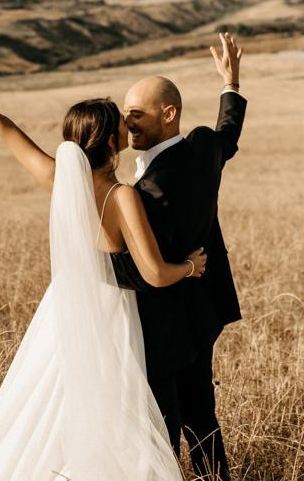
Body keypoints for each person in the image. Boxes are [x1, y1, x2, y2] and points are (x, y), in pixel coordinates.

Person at [0, 71, 209, 479]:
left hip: (62, 310)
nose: (129, 127)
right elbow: (156, 274)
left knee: (53, 404)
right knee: (113, 411)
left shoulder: (59, 179)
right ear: (111, 142)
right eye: (121, 124)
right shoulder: (121, 195)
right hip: (108, 314)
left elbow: (1, 126)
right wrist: (191, 267)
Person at [110, 32, 247, 480]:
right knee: (201, 415)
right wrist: (231, 84)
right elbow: (227, 135)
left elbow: (138, 270)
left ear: (168, 115)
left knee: (163, 424)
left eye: (136, 115)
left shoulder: (148, 192)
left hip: (160, 321)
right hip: (201, 314)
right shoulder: (203, 148)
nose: (127, 122)